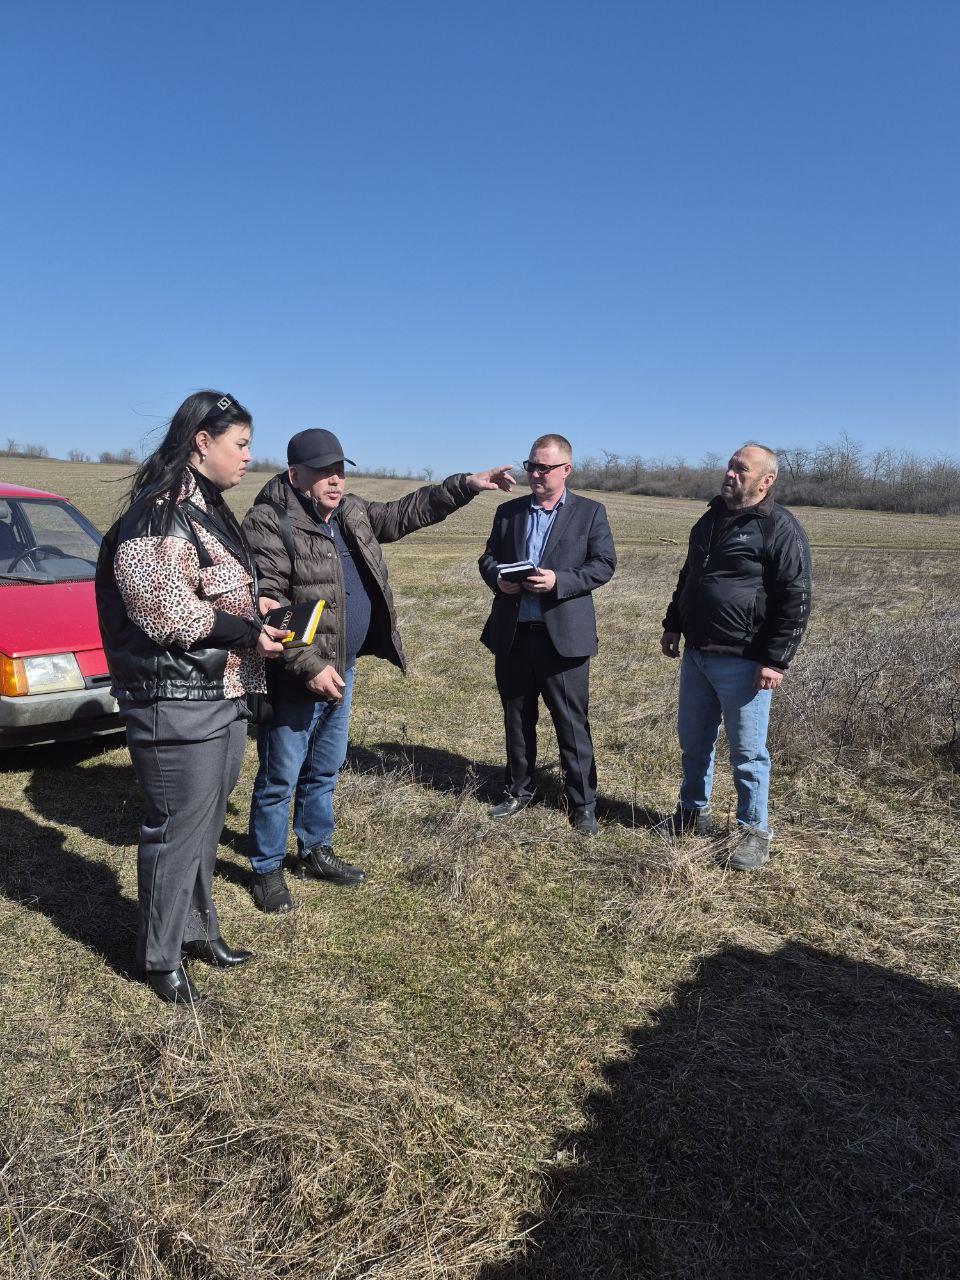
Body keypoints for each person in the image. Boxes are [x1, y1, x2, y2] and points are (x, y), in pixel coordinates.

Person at [242, 428, 516, 913]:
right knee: (280, 775)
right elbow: (271, 605)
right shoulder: (268, 522)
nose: (335, 480)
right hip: (296, 673)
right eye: (324, 471)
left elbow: (408, 512)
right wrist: (308, 667)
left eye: (340, 470)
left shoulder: (351, 512)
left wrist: (468, 484)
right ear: (295, 474)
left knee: (325, 766)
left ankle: (314, 848)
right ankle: (265, 868)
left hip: (341, 667)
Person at [95, 391, 288, 1004]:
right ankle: (160, 956)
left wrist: (250, 607)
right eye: (241, 445)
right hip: (175, 696)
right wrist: (248, 630)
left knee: (202, 825)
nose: (249, 458)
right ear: (202, 443)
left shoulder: (207, 509)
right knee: (176, 827)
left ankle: (198, 930)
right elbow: (166, 609)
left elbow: (206, 587)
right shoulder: (159, 513)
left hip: (221, 691)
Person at [660, 442, 812, 869]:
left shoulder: (779, 527)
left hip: (745, 661)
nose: (730, 475)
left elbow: (796, 599)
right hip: (697, 654)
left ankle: (752, 830)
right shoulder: (709, 519)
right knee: (693, 742)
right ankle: (693, 812)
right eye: (729, 467)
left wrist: (775, 659)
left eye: (741, 470)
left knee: (747, 753)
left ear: (766, 481)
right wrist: (674, 623)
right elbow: (689, 575)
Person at [478, 433, 617, 835]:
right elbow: (488, 557)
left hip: (564, 638)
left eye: (545, 467)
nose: (536, 474)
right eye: (531, 466)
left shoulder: (590, 513)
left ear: (566, 470)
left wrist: (560, 580)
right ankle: (519, 790)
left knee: (571, 722)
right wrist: (497, 579)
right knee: (517, 717)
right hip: (514, 633)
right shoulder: (508, 512)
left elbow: (604, 565)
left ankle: (583, 802)